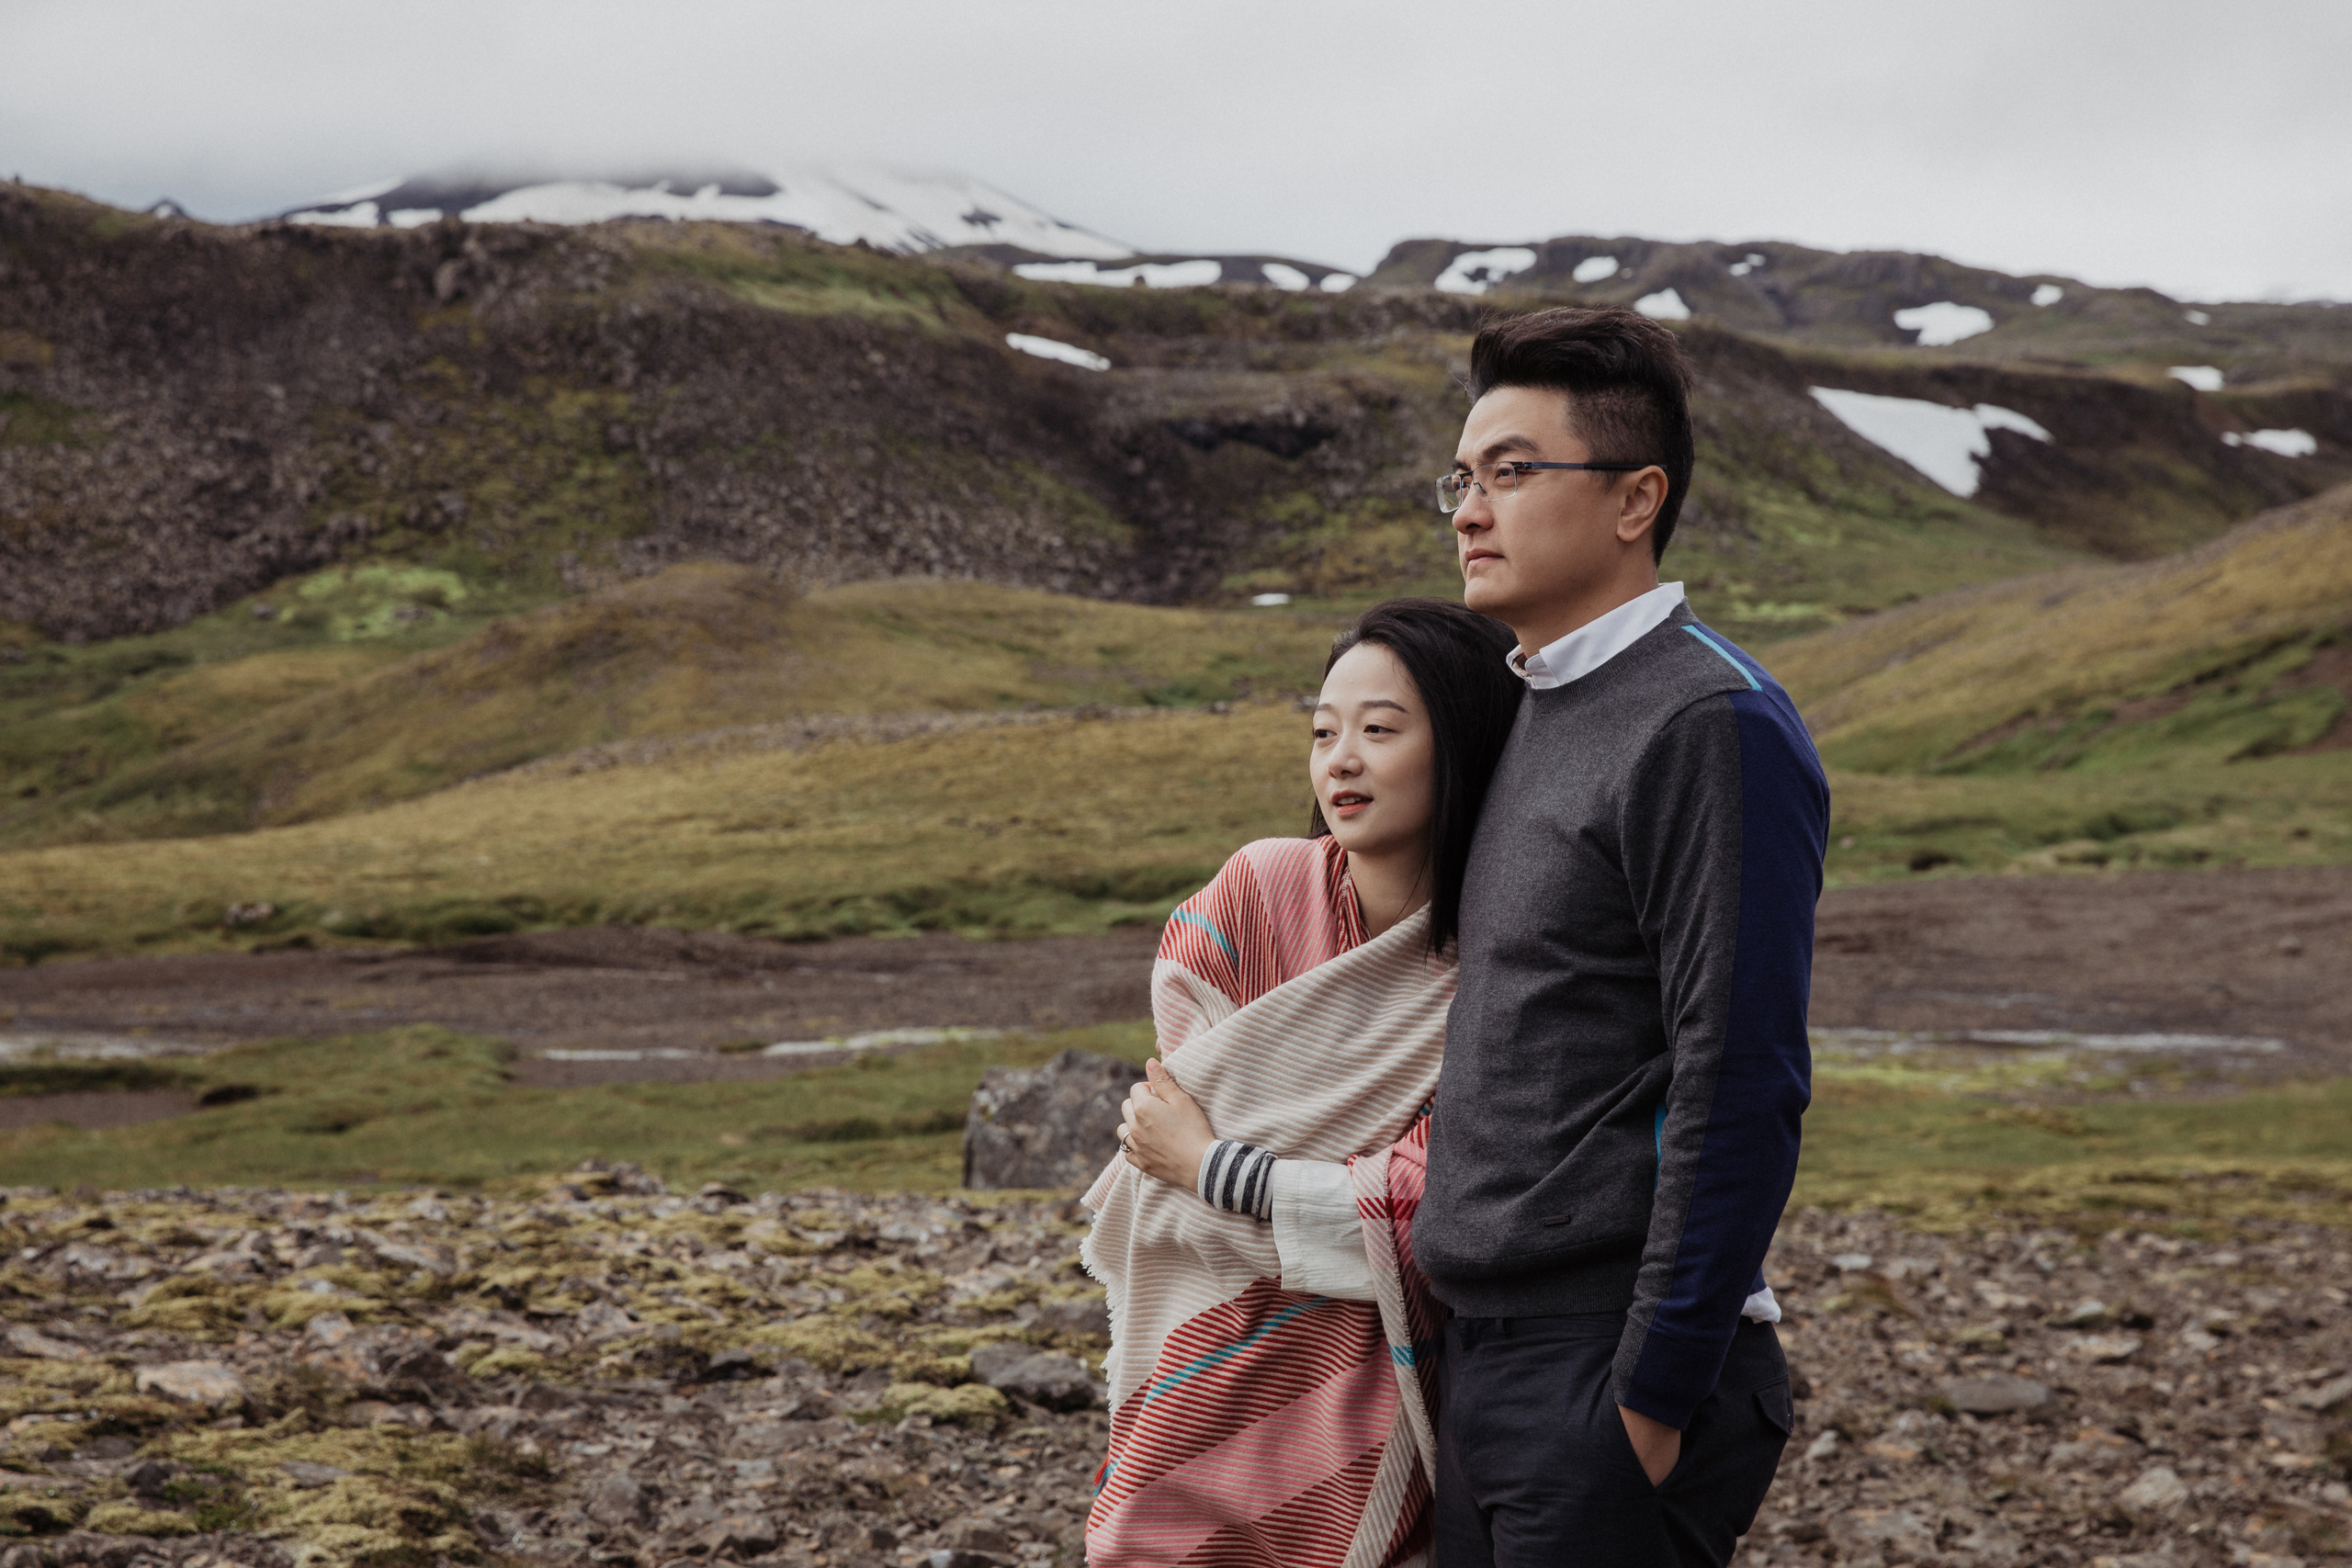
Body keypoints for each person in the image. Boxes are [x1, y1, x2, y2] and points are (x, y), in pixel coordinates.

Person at [1412, 307, 1828, 1568]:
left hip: (1602, 1367)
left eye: (1511, 472)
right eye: (1461, 480)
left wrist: (1649, 1396)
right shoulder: (1537, 705)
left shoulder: (1710, 721)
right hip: (1488, 1359)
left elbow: (1740, 1074)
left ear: (1636, 498)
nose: (1469, 512)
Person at [1080, 599, 1522, 1568]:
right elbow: (1172, 1130)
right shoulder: (1258, 892)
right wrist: (1297, 1187)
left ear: (1465, 742)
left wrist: (1216, 1171)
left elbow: (1439, 1213)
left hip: (1383, 1383)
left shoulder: (1502, 969)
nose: (1341, 761)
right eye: (1324, 733)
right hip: (1211, 1353)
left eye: (1380, 731)